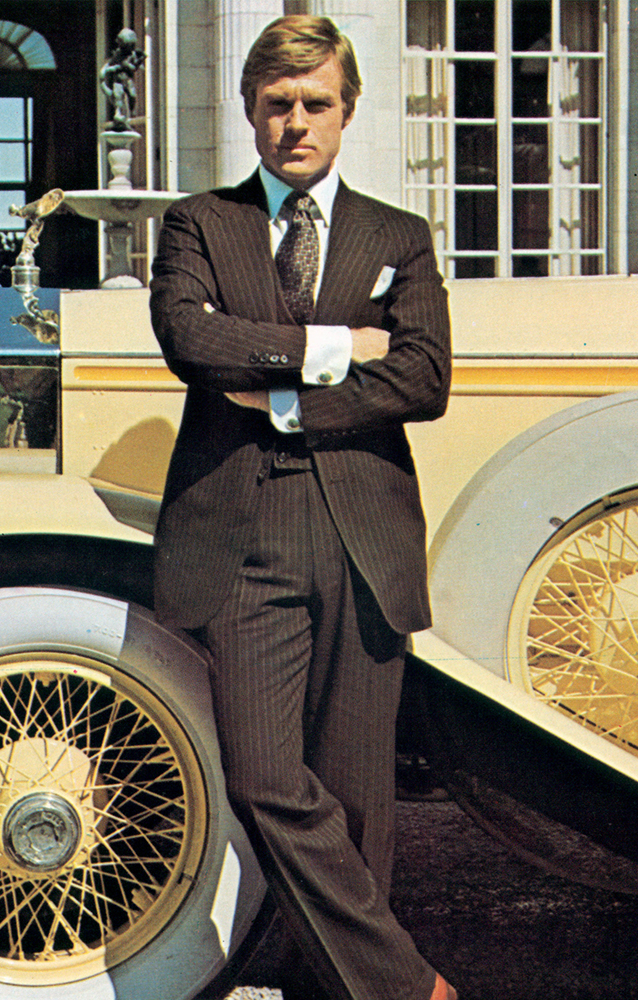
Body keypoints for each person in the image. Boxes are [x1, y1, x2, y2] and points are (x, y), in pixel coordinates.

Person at [149, 15, 454, 1000]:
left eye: (315, 103)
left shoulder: (396, 238)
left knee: (360, 799)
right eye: (276, 104)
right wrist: (336, 349)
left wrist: (276, 388)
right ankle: (410, 989)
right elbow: (194, 344)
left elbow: (424, 378)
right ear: (249, 111)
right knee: (265, 778)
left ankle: (339, 989)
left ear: (348, 111)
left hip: (362, 530)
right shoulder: (200, 225)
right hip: (241, 534)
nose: (295, 123)